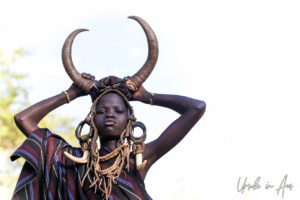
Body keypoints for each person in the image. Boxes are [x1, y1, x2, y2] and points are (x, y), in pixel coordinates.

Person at [10, 16, 206, 200]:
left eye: (118, 111)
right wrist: (71, 93)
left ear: (130, 119)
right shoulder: (70, 160)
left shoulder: (140, 160)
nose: (109, 114)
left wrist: (147, 97)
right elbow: (23, 119)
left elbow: (196, 108)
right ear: (91, 119)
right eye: (101, 111)